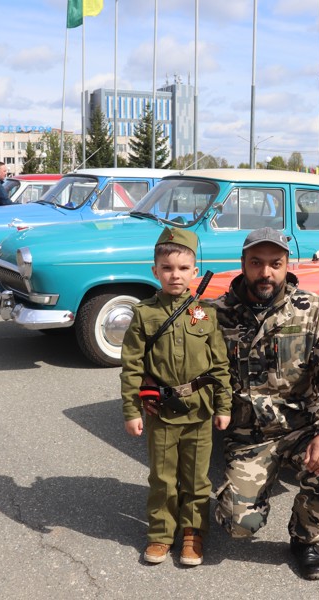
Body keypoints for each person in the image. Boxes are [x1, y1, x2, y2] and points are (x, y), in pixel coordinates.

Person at [211, 227, 319, 581]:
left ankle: (305, 540)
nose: (266, 273)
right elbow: (182, 360)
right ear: (242, 264)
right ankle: (245, 497)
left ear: (289, 264)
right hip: (248, 435)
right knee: (238, 525)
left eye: (275, 263)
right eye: (256, 263)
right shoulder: (216, 314)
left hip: (300, 429)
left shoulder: (312, 309)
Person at [120, 227, 231, 567]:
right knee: (163, 479)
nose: (175, 275)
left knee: (197, 479)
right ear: (155, 271)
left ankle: (193, 534)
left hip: (198, 412)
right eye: (167, 268)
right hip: (161, 413)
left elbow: (220, 364)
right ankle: (159, 534)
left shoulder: (206, 314)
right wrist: (131, 411)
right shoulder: (144, 314)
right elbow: (131, 365)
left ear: (195, 271)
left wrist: (224, 405)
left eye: (183, 268)